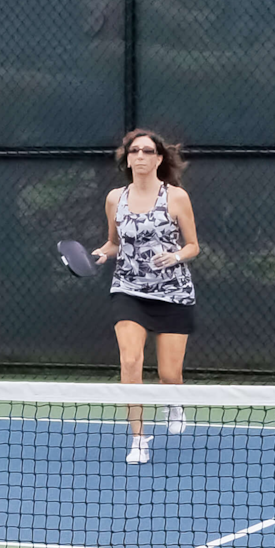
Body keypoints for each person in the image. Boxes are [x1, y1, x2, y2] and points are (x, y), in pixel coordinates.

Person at [91, 126, 201, 465]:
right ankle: (138, 439)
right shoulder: (114, 198)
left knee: (170, 374)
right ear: (127, 158)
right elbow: (114, 242)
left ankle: (173, 399)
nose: (139, 156)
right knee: (130, 361)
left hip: (172, 292)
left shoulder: (176, 197)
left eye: (147, 151)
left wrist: (177, 256)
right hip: (129, 289)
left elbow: (193, 246)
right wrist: (102, 253)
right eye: (134, 151)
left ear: (159, 158)